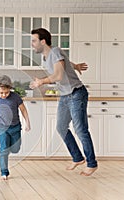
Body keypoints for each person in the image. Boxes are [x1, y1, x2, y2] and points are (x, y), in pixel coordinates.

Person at [29, 28, 98, 176]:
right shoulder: (48, 56)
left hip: (76, 93)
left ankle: (92, 163)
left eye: (34, 41)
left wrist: (41, 81)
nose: (32, 44)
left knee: (80, 129)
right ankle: (78, 158)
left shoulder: (54, 51)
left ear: (43, 41)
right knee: (61, 127)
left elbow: (59, 75)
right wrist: (75, 66)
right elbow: (62, 62)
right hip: (66, 95)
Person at [0, 75, 31, 180]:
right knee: (3, 149)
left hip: (15, 127)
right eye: (1, 93)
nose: (4, 95)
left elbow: (23, 110)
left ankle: (8, 149)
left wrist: (28, 123)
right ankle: (4, 172)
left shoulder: (15, 97)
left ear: (10, 89)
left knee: (15, 149)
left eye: (6, 92)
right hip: (2, 127)